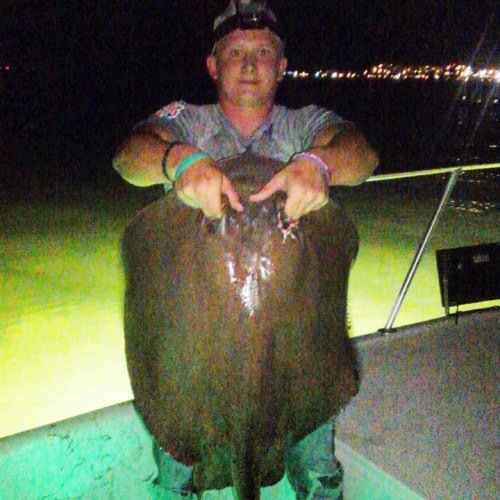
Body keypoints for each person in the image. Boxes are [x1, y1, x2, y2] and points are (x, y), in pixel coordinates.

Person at [114, 1, 379, 498]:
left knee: (320, 475)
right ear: (213, 66)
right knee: (177, 480)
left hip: (297, 348)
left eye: (263, 52)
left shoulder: (306, 127)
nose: (251, 65)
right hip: (190, 349)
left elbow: (361, 154)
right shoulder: (186, 121)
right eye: (236, 53)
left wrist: (319, 166)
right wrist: (179, 160)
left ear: (282, 66)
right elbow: (129, 156)